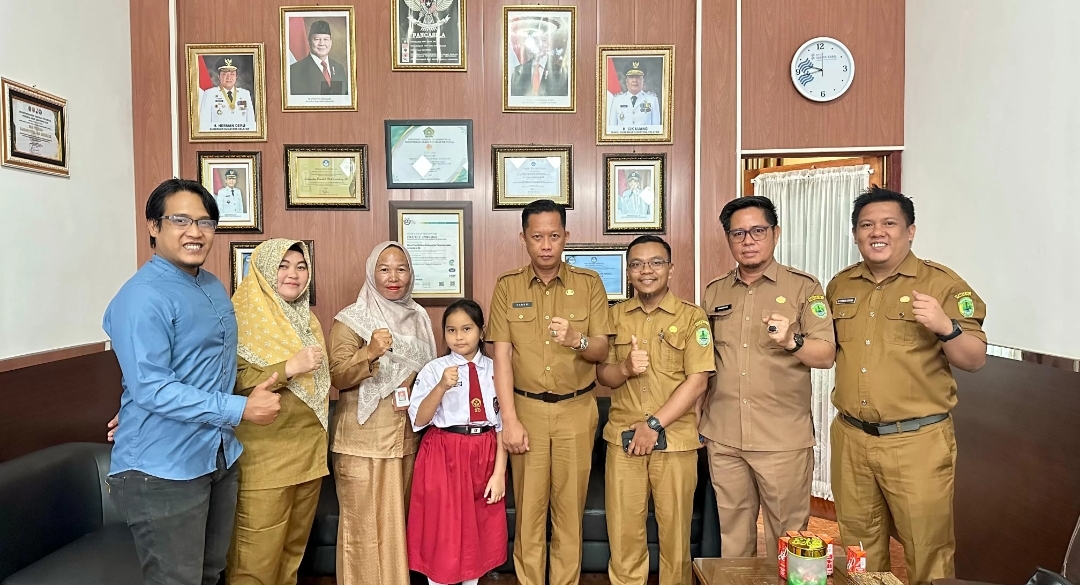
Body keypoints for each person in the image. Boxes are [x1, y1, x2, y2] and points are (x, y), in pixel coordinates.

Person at [102, 178, 280, 585]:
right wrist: (241, 408)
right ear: (153, 226)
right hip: (163, 468)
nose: (195, 232)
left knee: (210, 574)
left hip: (217, 455)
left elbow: (202, 365)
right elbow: (152, 387)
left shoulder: (212, 285)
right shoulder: (142, 296)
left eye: (205, 222)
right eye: (180, 220)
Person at [827, 186, 987, 585]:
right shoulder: (841, 285)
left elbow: (974, 360)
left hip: (917, 442)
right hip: (852, 438)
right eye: (866, 225)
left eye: (889, 223)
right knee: (859, 549)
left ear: (910, 231)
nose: (877, 232)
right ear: (855, 234)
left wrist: (945, 327)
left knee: (927, 548)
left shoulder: (942, 284)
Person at [700, 195, 836, 562]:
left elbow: (826, 354)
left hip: (781, 439)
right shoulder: (714, 292)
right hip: (724, 436)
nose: (748, 240)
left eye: (758, 231)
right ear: (728, 239)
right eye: (738, 233)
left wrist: (792, 341)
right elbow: (704, 361)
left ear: (776, 234)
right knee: (732, 538)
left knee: (787, 539)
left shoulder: (803, 287)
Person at [488, 199, 613, 585]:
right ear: (523, 238)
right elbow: (501, 359)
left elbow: (601, 350)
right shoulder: (507, 286)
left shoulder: (589, 284)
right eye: (537, 237)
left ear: (566, 237)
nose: (546, 245)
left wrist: (577, 340)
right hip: (525, 410)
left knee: (569, 514)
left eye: (554, 236)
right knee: (528, 514)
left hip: (576, 409)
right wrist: (509, 421)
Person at [596, 235, 714, 585]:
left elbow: (698, 381)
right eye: (637, 264)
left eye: (655, 263)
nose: (646, 270)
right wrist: (625, 368)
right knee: (624, 537)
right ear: (628, 272)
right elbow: (603, 375)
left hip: (675, 443)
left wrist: (653, 425)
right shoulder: (614, 317)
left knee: (676, 540)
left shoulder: (692, 317)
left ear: (670, 269)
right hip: (624, 443)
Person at [328, 242, 438, 585]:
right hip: (362, 444)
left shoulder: (419, 317)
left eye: (401, 269)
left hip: (406, 442)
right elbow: (337, 376)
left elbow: (429, 375)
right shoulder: (352, 319)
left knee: (398, 531)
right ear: (371, 273)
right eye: (384, 269)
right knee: (363, 532)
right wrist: (370, 352)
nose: (394, 277)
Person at [225, 239, 329, 585]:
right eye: (282, 266)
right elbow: (232, 381)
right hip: (264, 460)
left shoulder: (307, 320)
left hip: (308, 458)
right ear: (264, 270)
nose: (293, 274)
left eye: (301, 266)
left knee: (290, 558)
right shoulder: (238, 318)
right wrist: (289, 367)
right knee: (255, 563)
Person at [407, 299, 508, 585]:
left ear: (482, 331)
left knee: (477, 534)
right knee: (444, 533)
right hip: (444, 454)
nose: (459, 337)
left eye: (467, 329)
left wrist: (499, 474)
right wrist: (441, 386)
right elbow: (419, 420)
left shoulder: (496, 369)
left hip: (484, 453)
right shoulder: (434, 369)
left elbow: (503, 425)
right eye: (451, 330)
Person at [289, 20, 347, 95]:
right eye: (317, 39)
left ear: (331, 42)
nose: (322, 43)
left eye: (325, 39)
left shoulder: (339, 68)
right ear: (309, 42)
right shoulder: (295, 70)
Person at [199, 58, 257, 132]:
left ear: (236, 76)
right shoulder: (209, 94)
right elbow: (204, 125)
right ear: (219, 76)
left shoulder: (245, 94)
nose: (229, 77)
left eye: (232, 74)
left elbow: (251, 124)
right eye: (224, 74)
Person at [510, 30, 568, 97]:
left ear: (549, 44)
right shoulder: (518, 71)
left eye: (543, 40)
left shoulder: (561, 73)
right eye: (535, 39)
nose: (539, 44)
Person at [607, 62, 661, 129]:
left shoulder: (652, 100)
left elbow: (656, 129)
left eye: (638, 77)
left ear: (643, 80)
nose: (635, 80)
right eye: (631, 77)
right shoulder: (617, 100)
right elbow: (612, 128)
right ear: (626, 81)